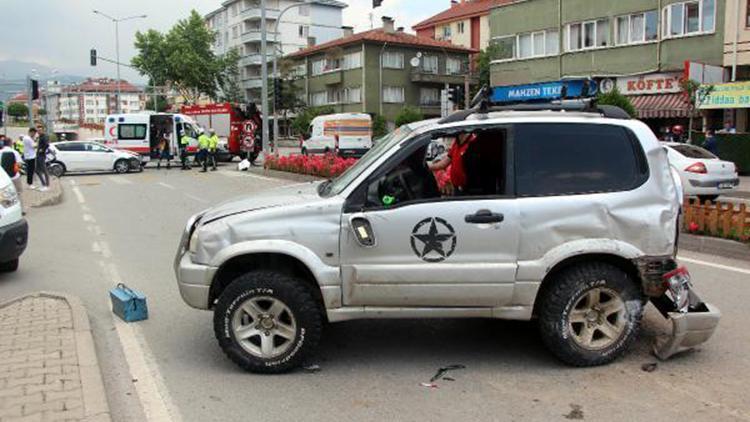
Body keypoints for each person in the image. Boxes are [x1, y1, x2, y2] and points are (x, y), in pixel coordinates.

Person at [0, 137, 23, 210]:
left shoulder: (0, 152)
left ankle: (8, 209)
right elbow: (19, 164)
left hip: (4, 179)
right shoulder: (14, 152)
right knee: (18, 193)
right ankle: (21, 209)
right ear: (10, 143)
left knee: (5, 194)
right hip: (15, 177)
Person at [35, 125, 50, 192]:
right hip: (38, 155)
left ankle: (46, 185)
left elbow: (47, 144)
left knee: (44, 170)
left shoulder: (44, 136)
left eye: (40, 130)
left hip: (41, 155)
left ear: (43, 130)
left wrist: (42, 150)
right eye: (38, 130)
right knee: (37, 170)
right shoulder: (40, 137)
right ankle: (43, 184)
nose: (38, 131)